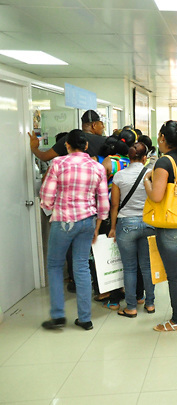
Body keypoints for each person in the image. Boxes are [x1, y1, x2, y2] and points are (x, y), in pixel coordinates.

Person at [40, 130, 109, 331]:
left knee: (54, 265)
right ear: (86, 146)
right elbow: (103, 203)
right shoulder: (97, 167)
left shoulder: (58, 164)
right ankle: (85, 318)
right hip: (87, 221)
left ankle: (58, 316)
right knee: (81, 266)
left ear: (67, 146)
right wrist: (96, 226)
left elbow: (46, 197)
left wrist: (55, 206)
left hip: (63, 220)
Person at [143, 121, 177, 331]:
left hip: (170, 225)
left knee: (174, 273)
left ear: (163, 138)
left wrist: (147, 181)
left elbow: (156, 196)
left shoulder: (164, 163)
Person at [109, 141, 156, 317]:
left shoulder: (119, 176)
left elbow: (115, 205)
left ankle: (131, 307)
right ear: (144, 158)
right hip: (148, 223)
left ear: (129, 157)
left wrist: (113, 228)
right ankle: (149, 303)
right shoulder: (150, 174)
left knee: (129, 268)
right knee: (147, 266)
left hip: (126, 224)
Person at [29, 109, 107, 161]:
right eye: (101, 124)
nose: (103, 127)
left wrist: (34, 148)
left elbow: (45, 157)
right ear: (94, 125)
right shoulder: (105, 141)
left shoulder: (70, 138)